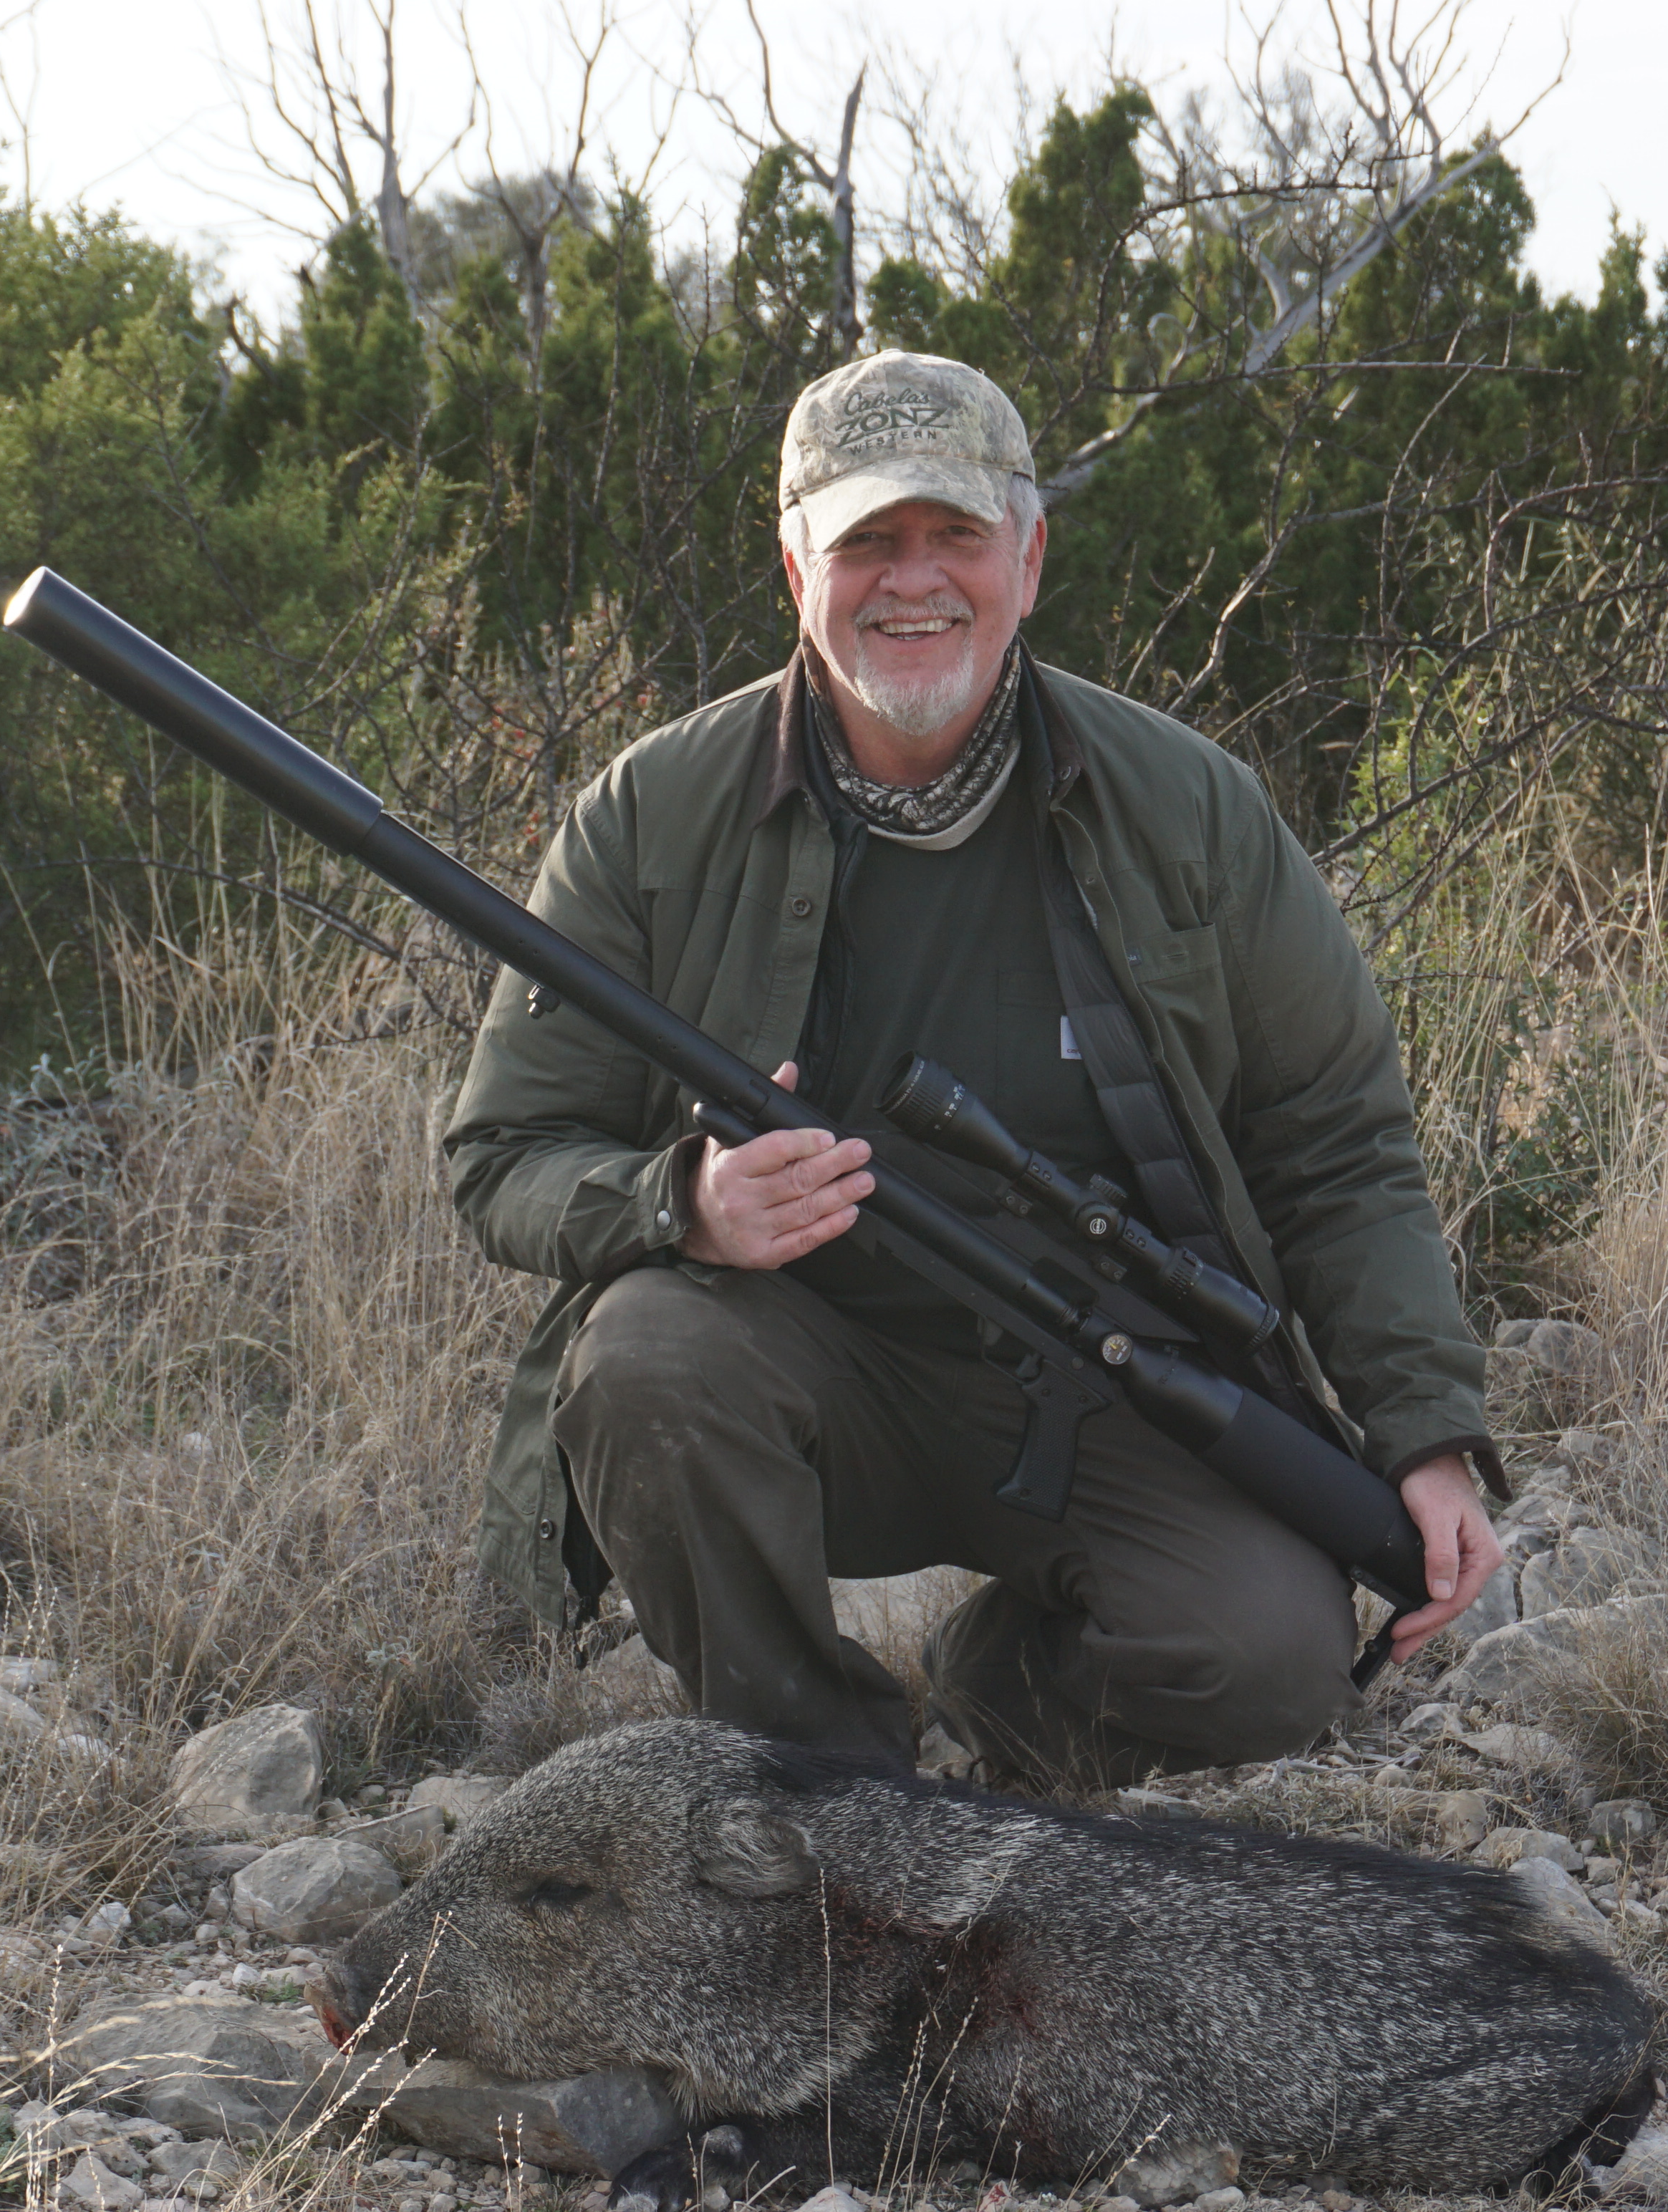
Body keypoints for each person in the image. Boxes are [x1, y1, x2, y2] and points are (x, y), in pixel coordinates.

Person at [444, 348, 1504, 1792]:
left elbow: (1339, 1145)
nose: (913, 580)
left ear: (1032, 554)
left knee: (1267, 1653)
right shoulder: (650, 811)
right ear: (793, 563)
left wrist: (1428, 1431)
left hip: (1115, 1378)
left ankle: (995, 1706)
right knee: (642, 1354)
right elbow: (504, 1152)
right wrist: (681, 1205)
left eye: (955, 535)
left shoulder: (1190, 804)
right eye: (867, 540)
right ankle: (822, 1785)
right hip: (801, 1377)